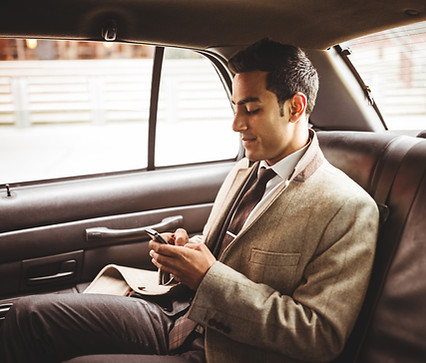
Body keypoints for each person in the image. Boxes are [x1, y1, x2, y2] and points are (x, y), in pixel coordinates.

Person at [0, 39, 379, 363]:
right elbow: (227, 257)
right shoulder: (247, 169)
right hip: (176, 315)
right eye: (234, 107)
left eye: (250, 109)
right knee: (27, 315)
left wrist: (207, 276)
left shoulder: (347, 208)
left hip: (225, 352)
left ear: (295, 107)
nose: (236, 124)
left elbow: (320, 336)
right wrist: (187, 254)